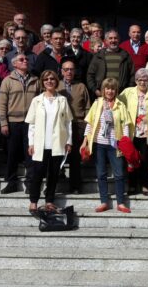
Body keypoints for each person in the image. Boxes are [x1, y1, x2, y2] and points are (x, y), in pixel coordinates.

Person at [81, 78, 132, 213]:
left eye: (112, 88)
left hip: (116, 144)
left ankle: (120, 202)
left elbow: (126, 124)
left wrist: (125, 143)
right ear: (103, 90)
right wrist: (85, 141)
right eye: (107, 88)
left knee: (119, 173)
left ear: (116, 91)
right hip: (99, 143)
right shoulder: (97, 103)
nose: (110, 91)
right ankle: (104, 201)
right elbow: (90, 124)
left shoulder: (120, 105)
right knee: (101, 173)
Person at [25, 70, 72, 215]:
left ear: (56, 81)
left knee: (53, 174)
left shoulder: (62, 100)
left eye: (52, 79)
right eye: (46, 79)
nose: (49, 81)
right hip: (40, 144)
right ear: (42, 82)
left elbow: (68, 122)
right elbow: (31, 124)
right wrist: (31, 143)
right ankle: (33, 201)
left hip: (57, 143)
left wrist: (69, 141)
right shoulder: (37, 100)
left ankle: (49, 200)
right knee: (37, 174)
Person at [0, 54, 40, 194]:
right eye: (22, 60)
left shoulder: (35, 80)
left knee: (30, 155)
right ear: (14, 64)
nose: (25, 61)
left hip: (31, 123)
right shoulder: (7, 80)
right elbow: (2, 103)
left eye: (26, 59)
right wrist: (3, 122)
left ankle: (30, 184)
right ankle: (11, 183)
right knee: (12, 155)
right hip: (13, 123)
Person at [118, 68, 148, 196]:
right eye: (140, 80)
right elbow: (118, 105)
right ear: (136, 80)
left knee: (146, 160)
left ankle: (145, 185)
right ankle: (131, 185)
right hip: (131, 132)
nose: (142, 82)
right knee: (131, 160)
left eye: (145, 80)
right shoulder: (128, 92)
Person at [57, 59, 91, 194]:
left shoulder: (81, 86)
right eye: (66, 69)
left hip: (78, 124)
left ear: (75, 71)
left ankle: (75, 185)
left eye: (71, 69)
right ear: (62, 71)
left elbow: (88, 107)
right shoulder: (56, 85)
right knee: (58, 155)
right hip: (60, 125)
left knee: (75, 159)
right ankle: (56, 185)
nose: (69, 72)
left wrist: (87, 124)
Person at [87, 29, 135, 99]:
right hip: (102, 94)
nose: (113, 40)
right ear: (106, 41)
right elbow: (90, 75)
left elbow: (132, 75)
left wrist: (127, 91)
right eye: (110, 38)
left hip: (121, 95)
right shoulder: (98, 56)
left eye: (115, 38)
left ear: (119, 40)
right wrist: (95, 90)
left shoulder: (125, 55)